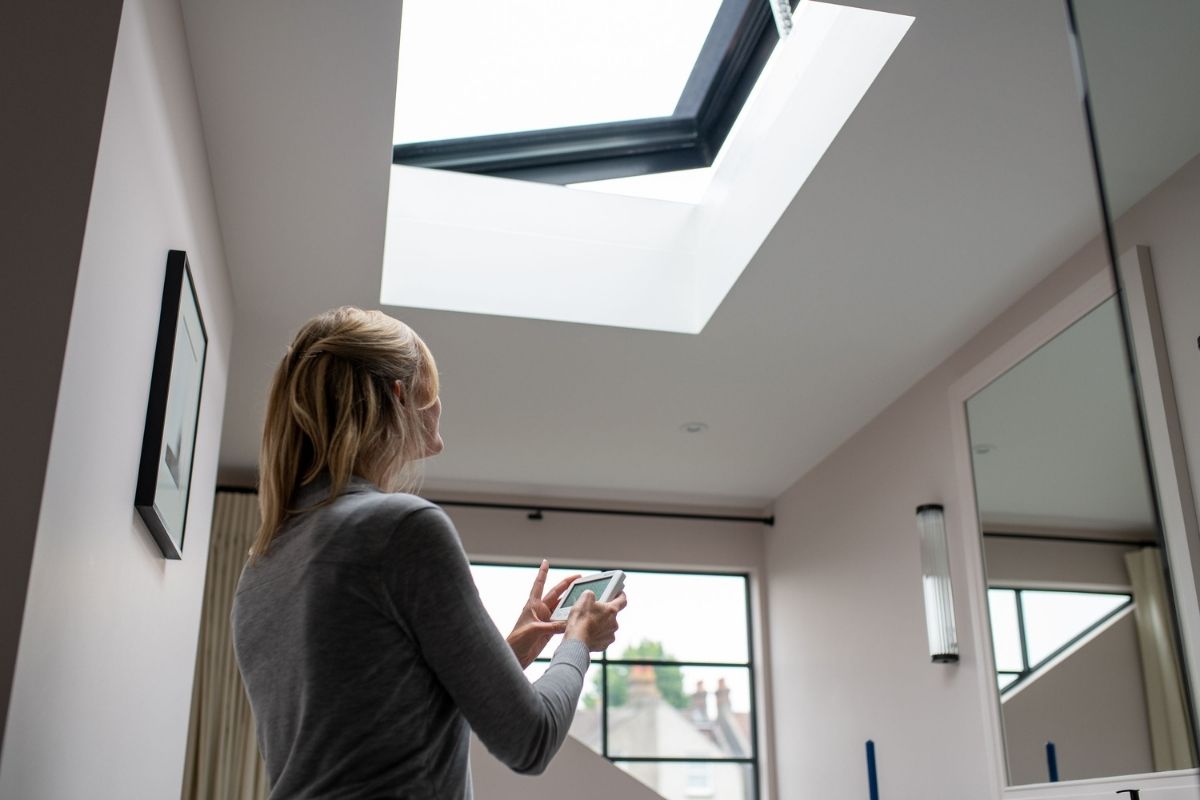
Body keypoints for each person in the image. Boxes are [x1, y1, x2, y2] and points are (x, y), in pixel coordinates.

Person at [232, 306, 627, 799]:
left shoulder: (262, 563)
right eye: (433, 389)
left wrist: (511, 653)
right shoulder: (400, 528)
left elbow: (375, 721)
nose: (441, 405)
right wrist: (578, 641)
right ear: (401, 395)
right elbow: (530, 740)